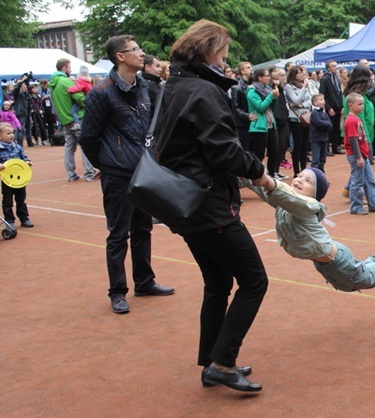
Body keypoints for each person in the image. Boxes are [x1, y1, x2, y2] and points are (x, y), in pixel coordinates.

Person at [154, 20, 268, 392]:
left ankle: (212, 360)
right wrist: (260, 173)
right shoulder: (202, 90)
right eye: (222, 53)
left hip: (183, 202)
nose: (226, 60)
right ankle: (222, 362)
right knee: (254, 281)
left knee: (217, 281)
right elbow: (223, 151)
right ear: (208, 51)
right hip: (206, 202)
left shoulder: (176, 85)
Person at [79, 35, 174, 314]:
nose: (142, 52)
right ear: (120, 56)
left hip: (144, 171)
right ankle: (117, 291)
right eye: (135, 49)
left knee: (143, 228)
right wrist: (107, 163)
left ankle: (144, 281)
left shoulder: (144, 86)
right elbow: (89, 137)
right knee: (118, 234)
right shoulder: (101, 93)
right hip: (118, 175)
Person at [250, 168, 375, 292]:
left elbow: (287, 196)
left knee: (365, 279)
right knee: (345, 287)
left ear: (315, 195)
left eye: (308, 181)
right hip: (321, 262)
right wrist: (246, 172)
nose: (300, 180)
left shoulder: (309, 206)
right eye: (299, 176)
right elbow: (264, 188)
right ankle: (374, 262)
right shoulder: (283, 201)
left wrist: (269, 181)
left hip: (337, 260)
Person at [49, 58, 99, 182]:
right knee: (85, 145)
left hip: (65, 119)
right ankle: (89, 173)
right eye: (70, 68)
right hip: (78, 118)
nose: (71, 71)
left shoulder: (53, 84)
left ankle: (71, 174)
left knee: (69, 147)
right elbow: (81, 99)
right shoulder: (66, 82)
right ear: (64, 68)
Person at [344, 92, 375, 215]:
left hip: (363, 154)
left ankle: (374, 204)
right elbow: (353, 140)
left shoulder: (356, 118)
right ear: (351, 105)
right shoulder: (351, 120)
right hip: (356, 154)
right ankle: (356, 207)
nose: (362, 106)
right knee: (357, 182)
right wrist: (358, 157)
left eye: (362, 104)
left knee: (369, 179)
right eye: (359, 104)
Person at [0, 123, 34, 229]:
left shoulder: (17, 147)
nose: (11, 135)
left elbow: (24, 157)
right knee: (7, 201)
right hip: (7, 180)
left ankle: (24, 218)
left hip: (20, 180)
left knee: (21, 199)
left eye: (12, 133)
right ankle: (9, 220)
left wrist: (27, 162)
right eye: (8, 133)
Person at [246, 67, 280, 173]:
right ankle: (259, 175)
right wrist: (270, 96)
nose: (268, 78)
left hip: (270, 124)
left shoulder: (268, 89)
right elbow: (261, 107)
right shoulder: (252, 92)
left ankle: (272, 174)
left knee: (274, 152)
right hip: (259, 127)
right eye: (266, 76)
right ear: (260, 78)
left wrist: (275, 98)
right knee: (259, 154)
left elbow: (271, 108)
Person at [285, 65, 313, 175]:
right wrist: (304, 90)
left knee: (305, 145)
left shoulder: (305, 85)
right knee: (298, 145)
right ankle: (297, 170)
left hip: (306, 117)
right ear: (293, 75)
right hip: (295, 118)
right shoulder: (289, 87)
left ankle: (304, 168)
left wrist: (302, 105)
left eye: (302, 73)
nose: (302, 75)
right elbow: (296, 100)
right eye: (299, 73)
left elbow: (311, 100)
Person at [319, 60, 344, 155]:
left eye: (336, 65)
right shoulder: (325, 79)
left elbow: (339, 92)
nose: (335, 67)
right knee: (329, 129)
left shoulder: (336, 78)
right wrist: (328, 107)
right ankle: (326, 149)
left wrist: (341, 105)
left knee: (336, 129)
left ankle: (335, 146)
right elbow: (323, 94)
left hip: (338, 107)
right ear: (328, 68)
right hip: (330, 107)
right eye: (333, 66)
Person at [229, 61, 255, 152]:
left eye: (251, 67)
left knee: (254, 151)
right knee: (246, 150)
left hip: (254, 124)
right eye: (248, 67)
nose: (251, 69)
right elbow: (235, 107)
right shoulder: (237, 87)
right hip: (243, 125)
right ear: (242, 71)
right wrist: (247, 116)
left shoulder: (253, 86)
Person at [309, 93, 332, 171]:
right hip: (316, 139)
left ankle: (321, 176)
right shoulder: (314, 113)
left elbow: (330, 124)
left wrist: (326, 124)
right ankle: (313, 177)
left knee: (322, 160)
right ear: (315, 102)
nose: (323, 101)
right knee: (316, 160)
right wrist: (326, 124)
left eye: (323, 99)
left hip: (324, 138)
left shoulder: (324, 113)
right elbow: (319, 123)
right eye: (321, 99)